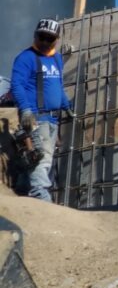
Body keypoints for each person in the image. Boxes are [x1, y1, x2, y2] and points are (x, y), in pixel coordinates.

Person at [10, 18, 73, 202]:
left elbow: (57, 86)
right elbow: (17, 85)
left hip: (52, 121)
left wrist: (65, 105)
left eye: (49, 38)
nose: (45, 42)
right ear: (35, 35)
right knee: (40, 163)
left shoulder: (57, 59)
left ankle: (23, 200)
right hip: (36, 120)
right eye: (41, 37)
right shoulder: (25, 58)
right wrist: (26, 110)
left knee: (33, 164)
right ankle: (44, 203)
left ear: (56, 39)